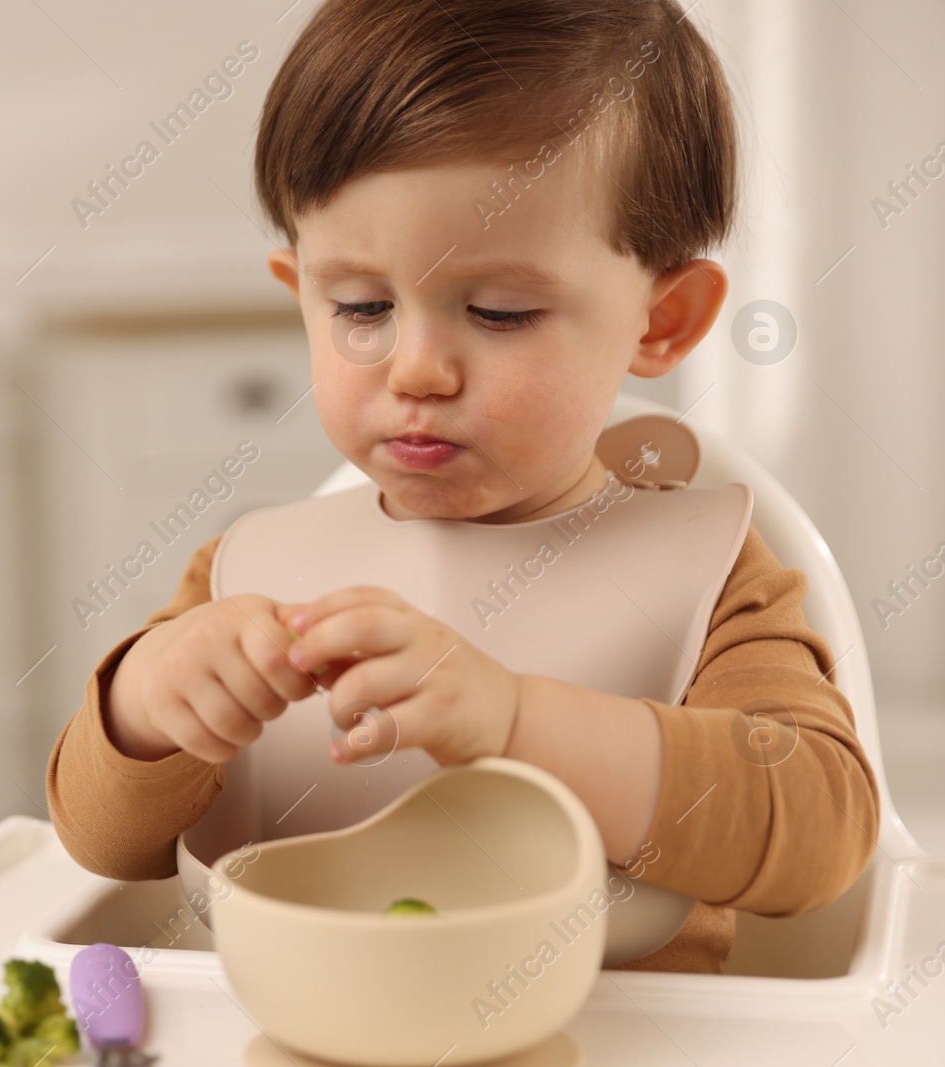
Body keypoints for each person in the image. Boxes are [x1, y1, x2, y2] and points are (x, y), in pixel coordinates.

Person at [46, 0, 878, 973]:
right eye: (360, 306)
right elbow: (105, 846)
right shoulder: (253, 574)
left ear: (662, 320)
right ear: (299, 292)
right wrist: (147, 706)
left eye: (498, 310)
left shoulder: (706, 573)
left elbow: (821, 833)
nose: (416, 370)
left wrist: (516, 722)